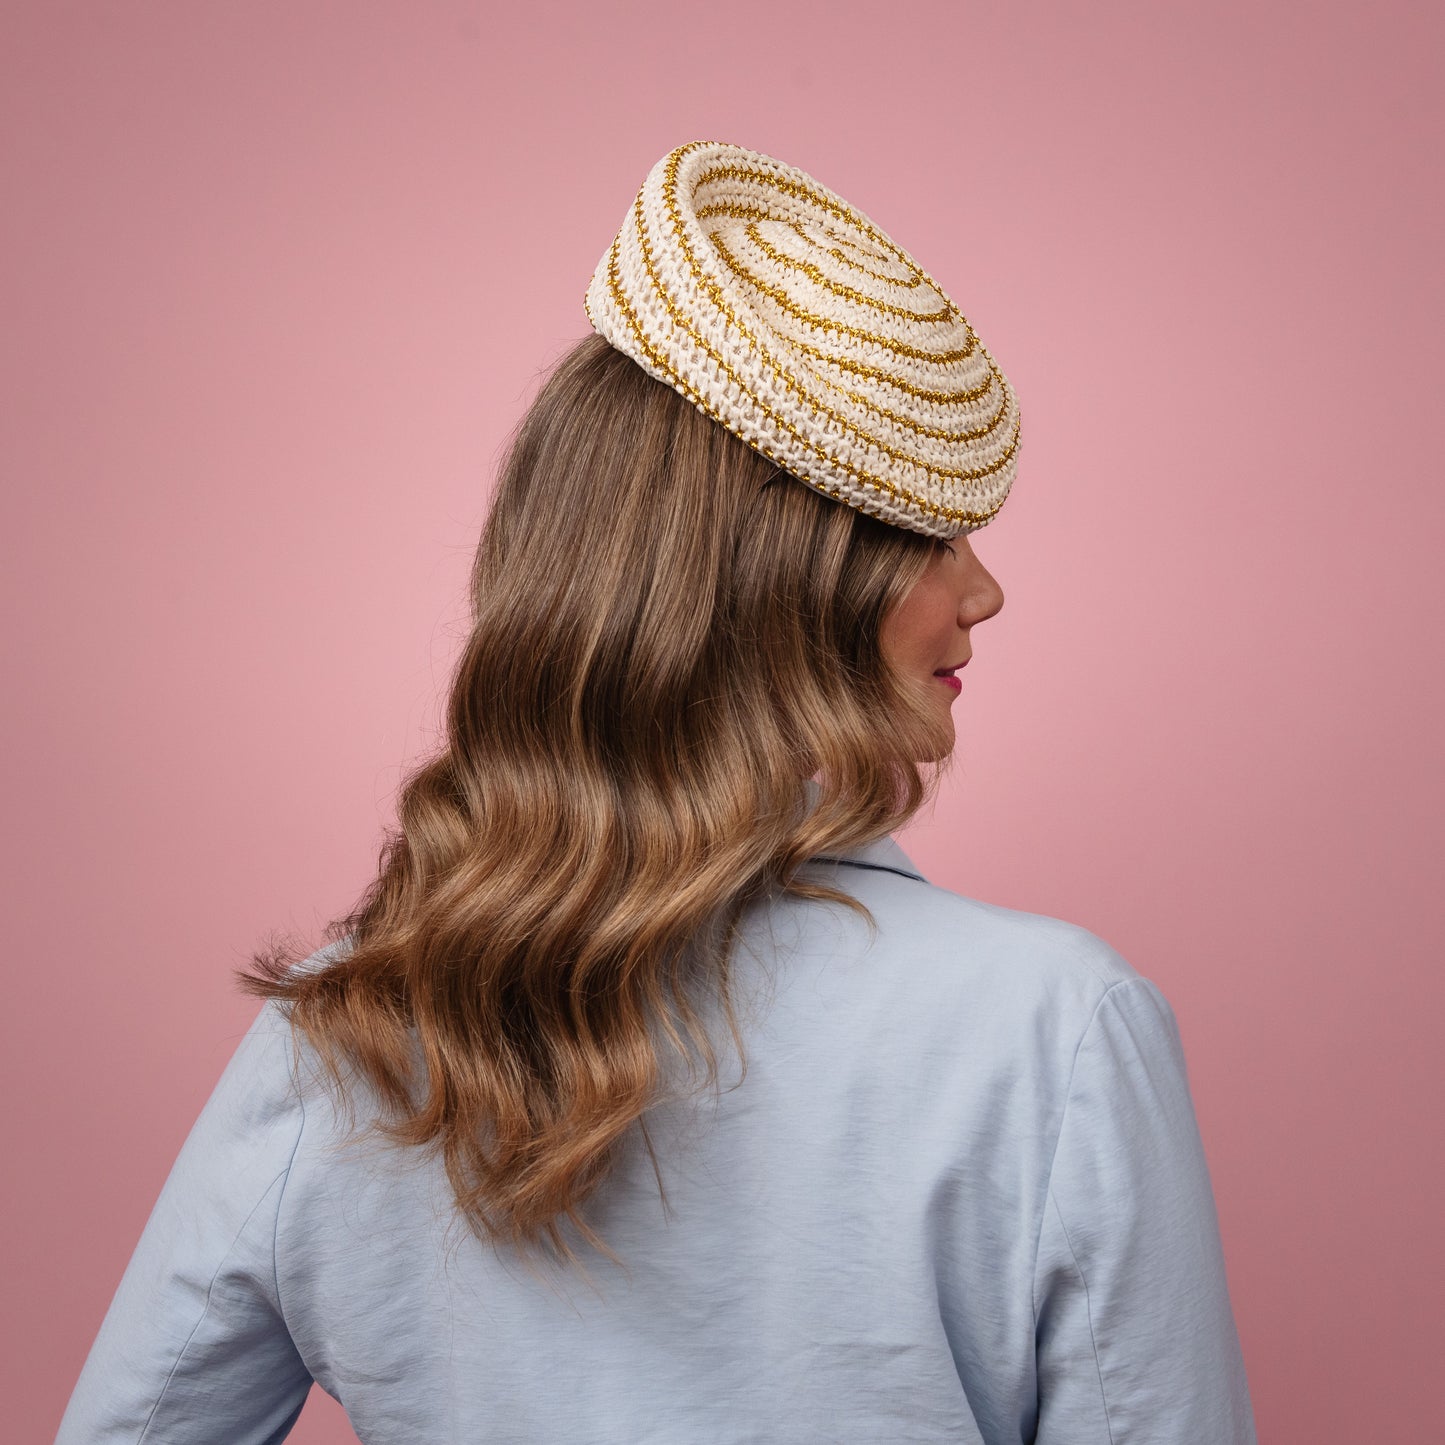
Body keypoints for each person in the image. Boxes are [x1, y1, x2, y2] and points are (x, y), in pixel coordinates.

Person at [57, 141, 1258, 1444]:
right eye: (927, 534)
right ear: (781, 577)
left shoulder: (348, 1025)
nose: (981, 591)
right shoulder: (1056, 1029)